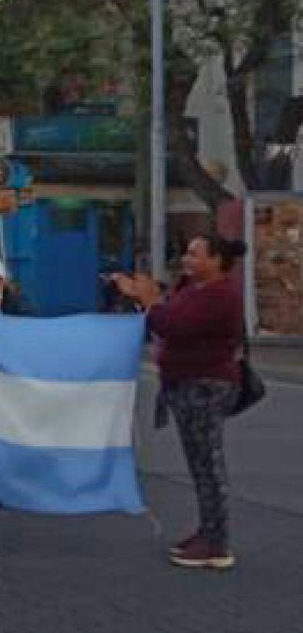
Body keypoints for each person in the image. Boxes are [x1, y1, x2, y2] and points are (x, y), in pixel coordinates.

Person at [114, 234, 248, 570]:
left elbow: (171, 324)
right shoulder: (193, 289)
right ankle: (208, 531)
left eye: (194, 254)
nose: (186, 260)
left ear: (216, 260)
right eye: (186, 253)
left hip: (204, 386)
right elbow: (165, 316)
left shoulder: (220, 295)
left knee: (208, 465)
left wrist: (149, 301)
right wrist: (145, 297)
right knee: (200, 464)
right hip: (186, 383)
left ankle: (216, 542)